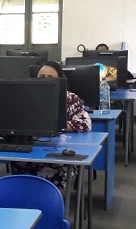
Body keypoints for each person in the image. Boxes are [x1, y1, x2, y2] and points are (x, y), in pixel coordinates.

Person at [10, 61, 92, 191]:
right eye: (41, 77)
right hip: (30, 150)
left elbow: (85, 124)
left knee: (57, 167)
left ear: (60, 81)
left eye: (50, 78)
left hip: (57, 153)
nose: (45, 81)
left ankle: (53, 204)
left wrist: (57, 125)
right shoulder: (25, 96)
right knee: (19, 163)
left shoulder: (69, 98)